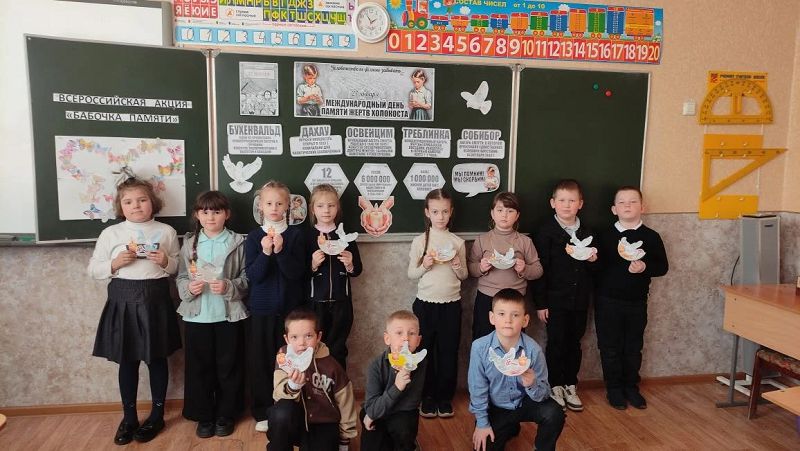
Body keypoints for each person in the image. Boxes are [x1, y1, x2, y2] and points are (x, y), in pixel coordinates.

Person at [88, 176, 181, 446]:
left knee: (157, 360)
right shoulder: (111, 234)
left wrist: (165, 261)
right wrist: (114, 263)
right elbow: (93, 269)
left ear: (153, 202)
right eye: (128, 202)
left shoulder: (166, 231)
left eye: (142, 200)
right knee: (127, 360)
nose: (136, 205)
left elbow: (177, 267)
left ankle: (157, 416)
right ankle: (129, 418)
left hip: (156, 300)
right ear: (120, 207)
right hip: (122, 301)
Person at [176, 191, 249, 438]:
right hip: (197, 317)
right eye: (205, 212)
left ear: (227, 214)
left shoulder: (238, 242)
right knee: (199, 370)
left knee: (229, 368)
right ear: (197, 215)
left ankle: (226, 414)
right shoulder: (189, 243)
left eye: (217, 212)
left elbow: (247, 278)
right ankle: (204, 416)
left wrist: (229, 286)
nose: (210, 217)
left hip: (228, 316)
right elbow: (181, 276)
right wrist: (189, 288)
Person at [595, 186, 668, 410]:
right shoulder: (603, 235)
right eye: (622, 202)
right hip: (607, 301)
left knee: (633, 348)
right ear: (613, 209)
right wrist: (591, 259)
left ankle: (631, 388)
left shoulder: (651, 237)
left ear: (642, 207)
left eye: (633, 202)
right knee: (609, 348)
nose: (627, 206)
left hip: (636, 302)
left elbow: (662, 267)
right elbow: (596, 268)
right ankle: (614, 389)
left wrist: (644, 267)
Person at [468, 288, 565, 451]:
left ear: (525, 320)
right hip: (495, 406)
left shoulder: (533, 350)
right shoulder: (479, 348)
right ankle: (509, 427)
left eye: (515, 315)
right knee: (485, 446)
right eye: (501, 314)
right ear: (492, 318)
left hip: (524, 402)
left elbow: (544, 393)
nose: (508, 320)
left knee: (554, 413)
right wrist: (482, 424)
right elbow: (478, 389)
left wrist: (532, 384)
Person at [245, 180, 307, 432]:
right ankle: (263, 411)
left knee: (290, 360)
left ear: (288, 206)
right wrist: (266, 253)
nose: (274, 208)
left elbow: (297, 273)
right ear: (260, 206)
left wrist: (281, 251)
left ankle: (288, 407)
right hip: (262, 311)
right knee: (262, 362)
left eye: (279, 203)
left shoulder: (296, 235)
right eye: (269, 203)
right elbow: (254, 276)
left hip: (291, 313)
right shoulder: (253, 237)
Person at [532, 179, 596, 412]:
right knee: (556, 342)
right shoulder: (545, 232)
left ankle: (570, 384)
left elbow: (595, 271)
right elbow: (540, 271)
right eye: (562, 200)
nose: (567, 205)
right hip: (555, 300)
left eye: (572, 200)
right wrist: (541, 303)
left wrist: (593, 261)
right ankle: (555, 385)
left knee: (574, 343)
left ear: (580, 203)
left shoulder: (588, 232)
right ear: (553, 203)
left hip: (579, 300)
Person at [407, 188, 467, 418]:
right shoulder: (420, 241)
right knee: (425, 351)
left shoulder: (457, 242)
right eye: (435, 211)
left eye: (444, 211)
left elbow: (464, 276)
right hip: (425, 304)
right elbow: (411, 274)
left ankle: (444, 397)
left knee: (448, 352)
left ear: (451, 212)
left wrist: (457, 266)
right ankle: (427, 397)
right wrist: (425, 265)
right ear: (427, 212)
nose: (440, 216)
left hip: (451, 305)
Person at [268, 309, 357, 451]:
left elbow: (346, 402)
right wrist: (292, 386)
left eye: (308, 336)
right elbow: (277, 394)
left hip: (323, 422)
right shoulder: (284, 358)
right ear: (287, 339)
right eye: (294, 337)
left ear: (318, 336)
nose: (301, 343)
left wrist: (345, 439)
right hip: (295, 420)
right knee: (280, 414)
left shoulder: (332, 365)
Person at [468, 192, 543, 339]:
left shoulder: (524, 241)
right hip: (487, 298)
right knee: (483, 339)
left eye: (510, 211)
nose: (504, 215)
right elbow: (471, 268)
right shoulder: (482, 240)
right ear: (492, 213)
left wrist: (524, 269)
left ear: (517, 215)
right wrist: (481, 268)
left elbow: (538, 270)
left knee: (513, 341)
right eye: (500, 210)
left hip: (515, 299)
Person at [305, 184, 362, 368]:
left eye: (331, 205)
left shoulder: (345, 236)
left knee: (337, 349)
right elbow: (298, 273)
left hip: (341, 302)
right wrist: (313, 265)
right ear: (313, 209)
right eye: (320, 206)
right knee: (315, 348)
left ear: (338, 208)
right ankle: (317, 384)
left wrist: (350, 263)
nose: (326, 210)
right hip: (316, 303)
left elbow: (357, 270)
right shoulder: (307, 237)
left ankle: (339, 384)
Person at [361, 310, 427, 451]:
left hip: (403, 414)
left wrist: (401, 383)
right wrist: (372, 414)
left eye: (412, 333)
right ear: (387, 339)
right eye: (399, 333)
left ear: (418, 340)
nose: (406, 339)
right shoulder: (376, 366)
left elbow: (410, 404)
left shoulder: (421, 365)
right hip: (379, 411)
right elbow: (371, 407)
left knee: (403, 427)